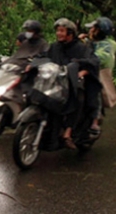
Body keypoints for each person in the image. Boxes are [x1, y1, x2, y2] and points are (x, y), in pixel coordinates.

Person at [47, 17, 101, 149]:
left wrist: (81, 73)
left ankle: (68, 132)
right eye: (57, 31)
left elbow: (94, 62)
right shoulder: (54, 47)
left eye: (61, 31)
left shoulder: (82, 48)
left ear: (70, 33)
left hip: (73, 85)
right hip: (55, 83)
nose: (58, 33)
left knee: (78, 100)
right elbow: (44, 57)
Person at [85, 17, 116, 131]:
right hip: (86, 71)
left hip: (98, 74)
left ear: (98, 31)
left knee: (95, 92)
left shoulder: (106, 46)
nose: (90, 30)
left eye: (93, 28)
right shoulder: (91, 42)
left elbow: (98, 58)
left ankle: (95, 119)